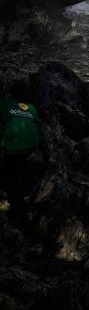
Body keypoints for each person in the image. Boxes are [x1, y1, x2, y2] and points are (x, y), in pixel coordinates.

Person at [0, 92, 46, 224]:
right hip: (30, 147)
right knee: (15, 176)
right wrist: (43, 148)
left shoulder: (4, 103)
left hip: (13, 147)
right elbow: (39, 130)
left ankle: (19, 211)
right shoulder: (31, 108)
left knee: (7, 180)